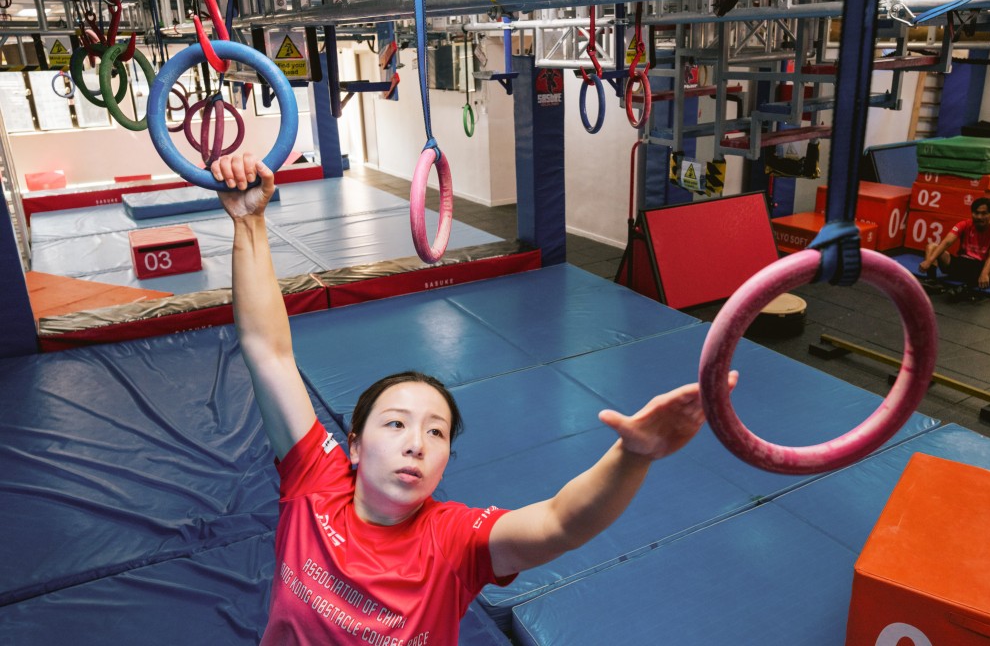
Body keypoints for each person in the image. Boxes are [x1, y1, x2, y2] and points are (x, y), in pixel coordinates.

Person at [213, 152, 736, 645]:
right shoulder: (315, 480)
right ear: (352, 445)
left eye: (435, 432)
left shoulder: (453, 540)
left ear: (445, 462)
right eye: (395, 424)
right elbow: (268, 351)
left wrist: (633, 455)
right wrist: (248, 223)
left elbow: (559, 522)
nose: (416, 443)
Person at [918, 197, 990, 293]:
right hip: (960, 264)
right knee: (931, 246)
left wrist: (985, 273)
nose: (979, 217)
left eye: (984, 213)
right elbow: (946, 242)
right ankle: (932, 281)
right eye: (976, 213)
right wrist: (929, 261)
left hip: (978, 269)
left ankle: (967, 289)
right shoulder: (964, 224)